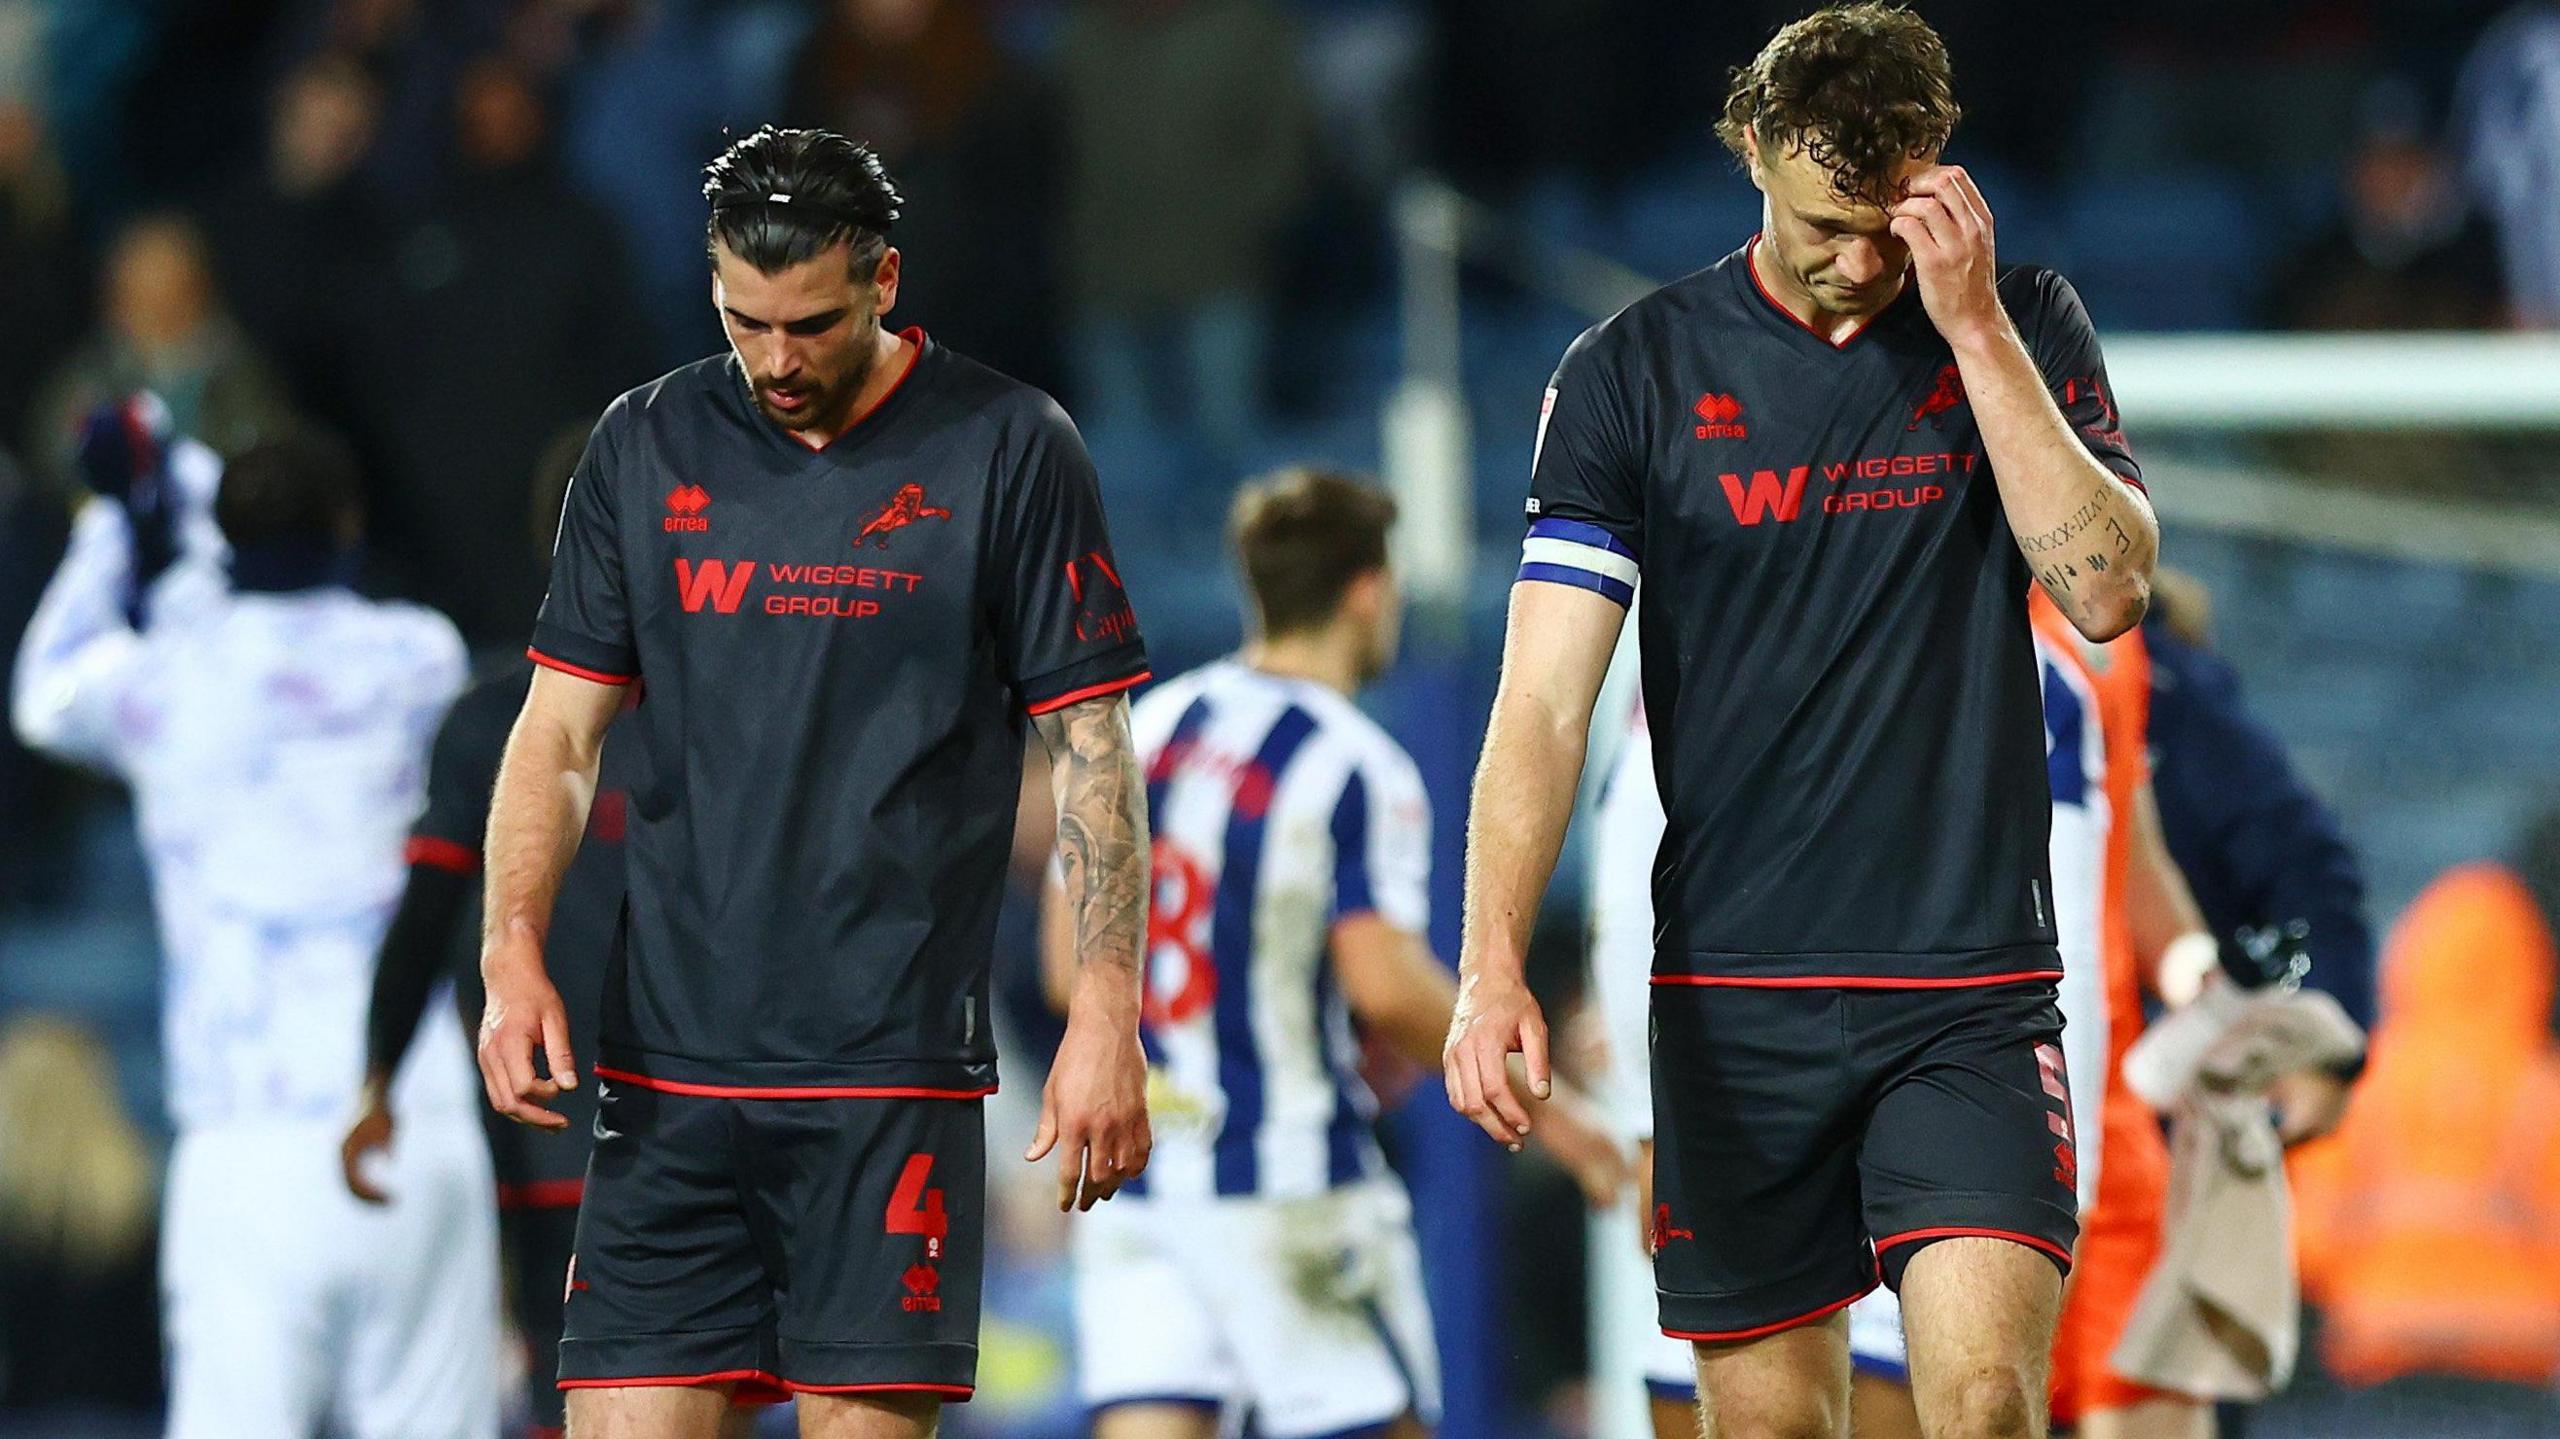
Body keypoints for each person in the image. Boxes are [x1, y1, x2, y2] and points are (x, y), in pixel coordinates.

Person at [1443, 7, 2161, 1439]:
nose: (1856, 258)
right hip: (1732, 1005)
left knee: (1986, 1401)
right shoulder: (1629, 374)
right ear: (1754, 151)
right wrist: (1490, 962)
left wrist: (1970, 327)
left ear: (1936, 171)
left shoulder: (2025, 327)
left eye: (1886, 220)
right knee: (1767, 1425)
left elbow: (2106, 588)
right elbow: (1540, 702)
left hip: (1967, 990)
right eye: (1827, 221)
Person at [473, 125, 1155, 1438]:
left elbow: (1091, 747)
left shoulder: (1008, 447)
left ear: (885, 279)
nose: (778, 359)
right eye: (747, 322)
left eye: (812, 324)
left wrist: (1105, 1006)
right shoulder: (644, 444)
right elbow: (558, 734)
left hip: (885, 1077)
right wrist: (512, 942)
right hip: (666, 1079)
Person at [1056, 468, 1624, 1439]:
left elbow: (1068, 961)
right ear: (1368, 589)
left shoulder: (1150, 730)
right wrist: (1568, 1124)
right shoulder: (1349, 760)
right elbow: (1380, 978)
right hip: (1288, 1181)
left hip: (1137, 1177)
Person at [11, 403, 499, 1438]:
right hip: (411, 1109)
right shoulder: (420, 654)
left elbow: (45, 691)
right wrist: (183, 489)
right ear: (352, 522)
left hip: (246, 1136)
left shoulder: (174, 673)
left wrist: (115, 514)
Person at [338, 443, 689, 1439]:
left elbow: (426, 909)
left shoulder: (493, 719)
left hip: (558, 1127)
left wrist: (377, 1075)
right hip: (698, 1119)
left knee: (573, 1386)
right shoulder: (752, 708)